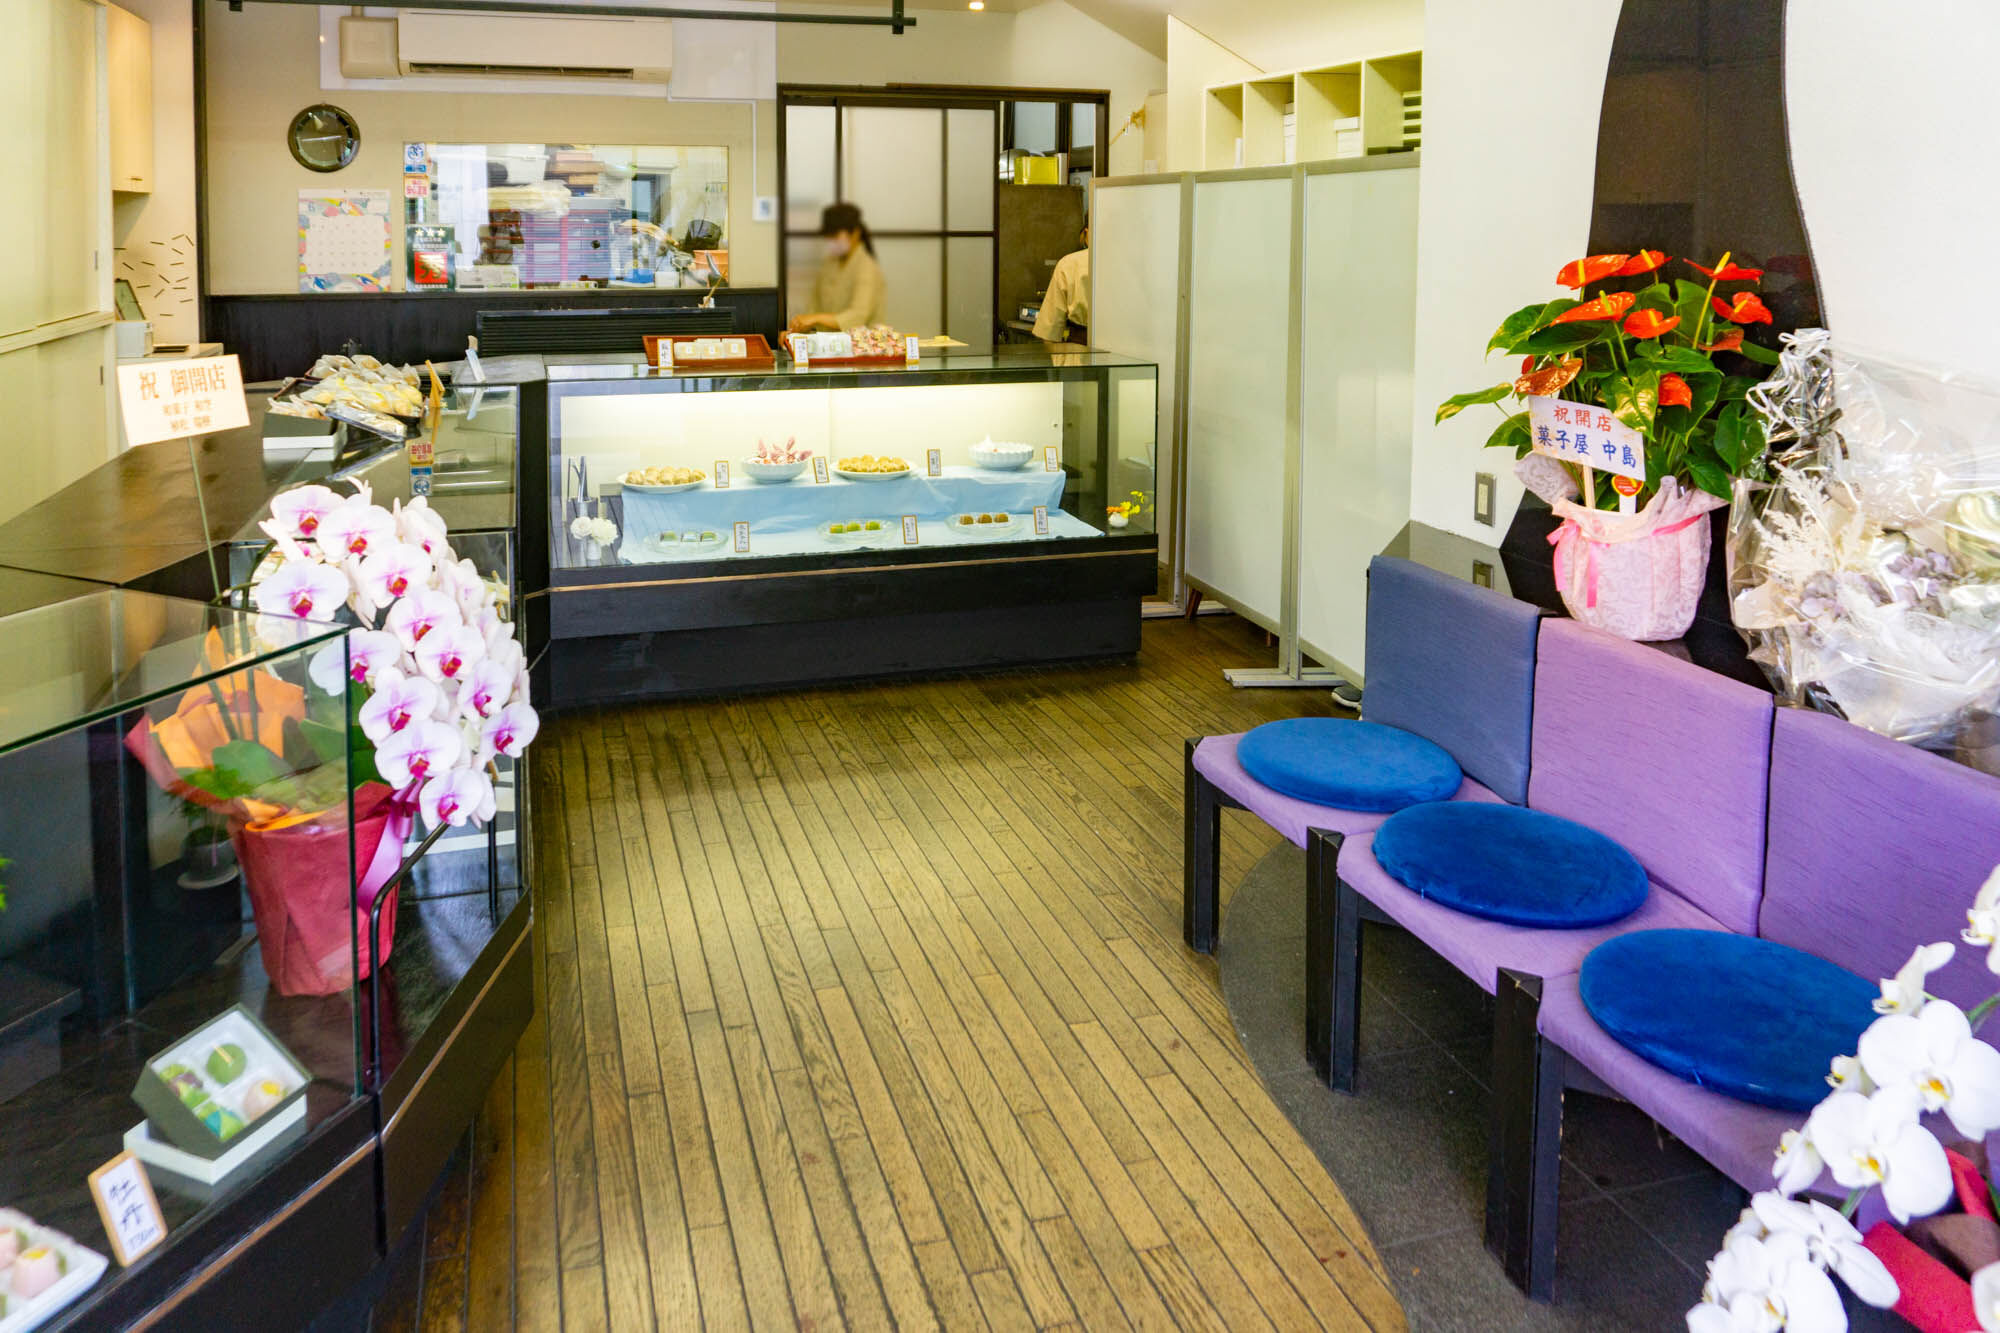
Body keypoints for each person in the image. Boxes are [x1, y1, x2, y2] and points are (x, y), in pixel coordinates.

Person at [789, 203, 886, 333]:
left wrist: (816, 318)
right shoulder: (829, 263)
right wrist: (798, 329)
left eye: (835, 236)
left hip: (862, 343)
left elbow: (858, 315)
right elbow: (814, 305)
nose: (831, 241)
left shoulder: (867, 267)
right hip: (826, 341)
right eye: (828, 237)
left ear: (855, 233)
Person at [1033, 223, 1090, 346]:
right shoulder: (1130, 265)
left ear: (1087, 233)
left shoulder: (1069, 263)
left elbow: (1049, 331)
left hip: (1080, 348)